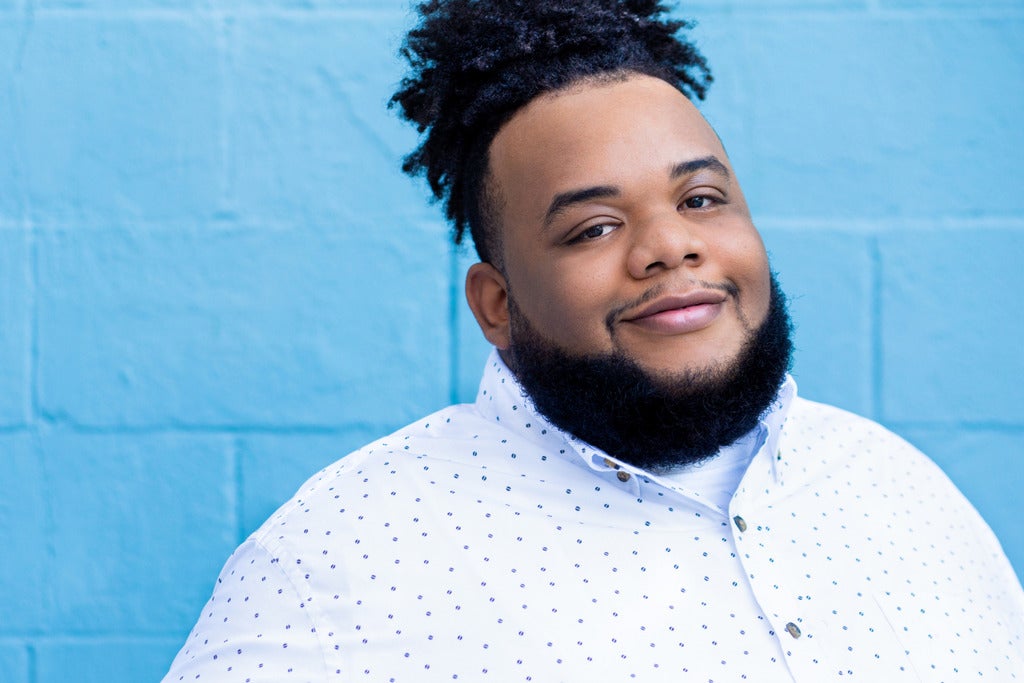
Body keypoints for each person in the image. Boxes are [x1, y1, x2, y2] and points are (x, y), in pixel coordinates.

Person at [162, 1, 1024, 680]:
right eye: (594, 227)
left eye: (700, 201)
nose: (669, 247)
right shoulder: (341, 557)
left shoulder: (901, 489)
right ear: (496, 305)